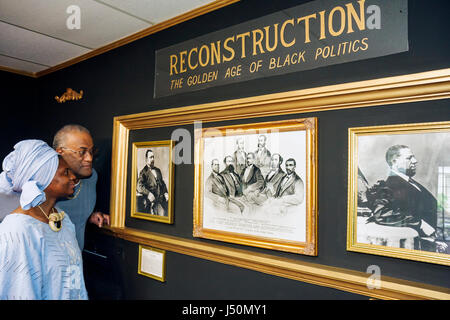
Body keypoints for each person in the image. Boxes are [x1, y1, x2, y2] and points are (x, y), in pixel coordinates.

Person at [0, 140, 88, 299]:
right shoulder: (17, 230)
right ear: (43, 180)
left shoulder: (63, 220)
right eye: (65, 172)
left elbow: (75, 282)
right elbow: (19, 292)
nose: (74, 177)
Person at [368, 145, 447, 252]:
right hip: (428, 245)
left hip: (441, 238)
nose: (415, 161)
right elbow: (381, 214)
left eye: (413, 157)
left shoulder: (409, 182)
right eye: (409, 158)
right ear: (394, 162)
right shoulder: (390, 185)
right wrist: (420, 224)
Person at [53, 124, 110, 251]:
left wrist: (89, 216)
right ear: (60, 152)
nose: (89, 159)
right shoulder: (44, 185)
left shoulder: (91, 177)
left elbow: (70, 214)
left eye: (91, 152)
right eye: (81, 152)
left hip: (74, 264)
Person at [136, 149, 169, 216]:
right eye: (151, 157)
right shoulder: (143, 172)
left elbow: (162, 184)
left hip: (161, 201)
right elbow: (139, 186)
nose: (153, 159)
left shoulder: (158, 170)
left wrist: (166, 192)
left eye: (153, 157)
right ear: (146, 159)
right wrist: (148, 193)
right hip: (150, 203)